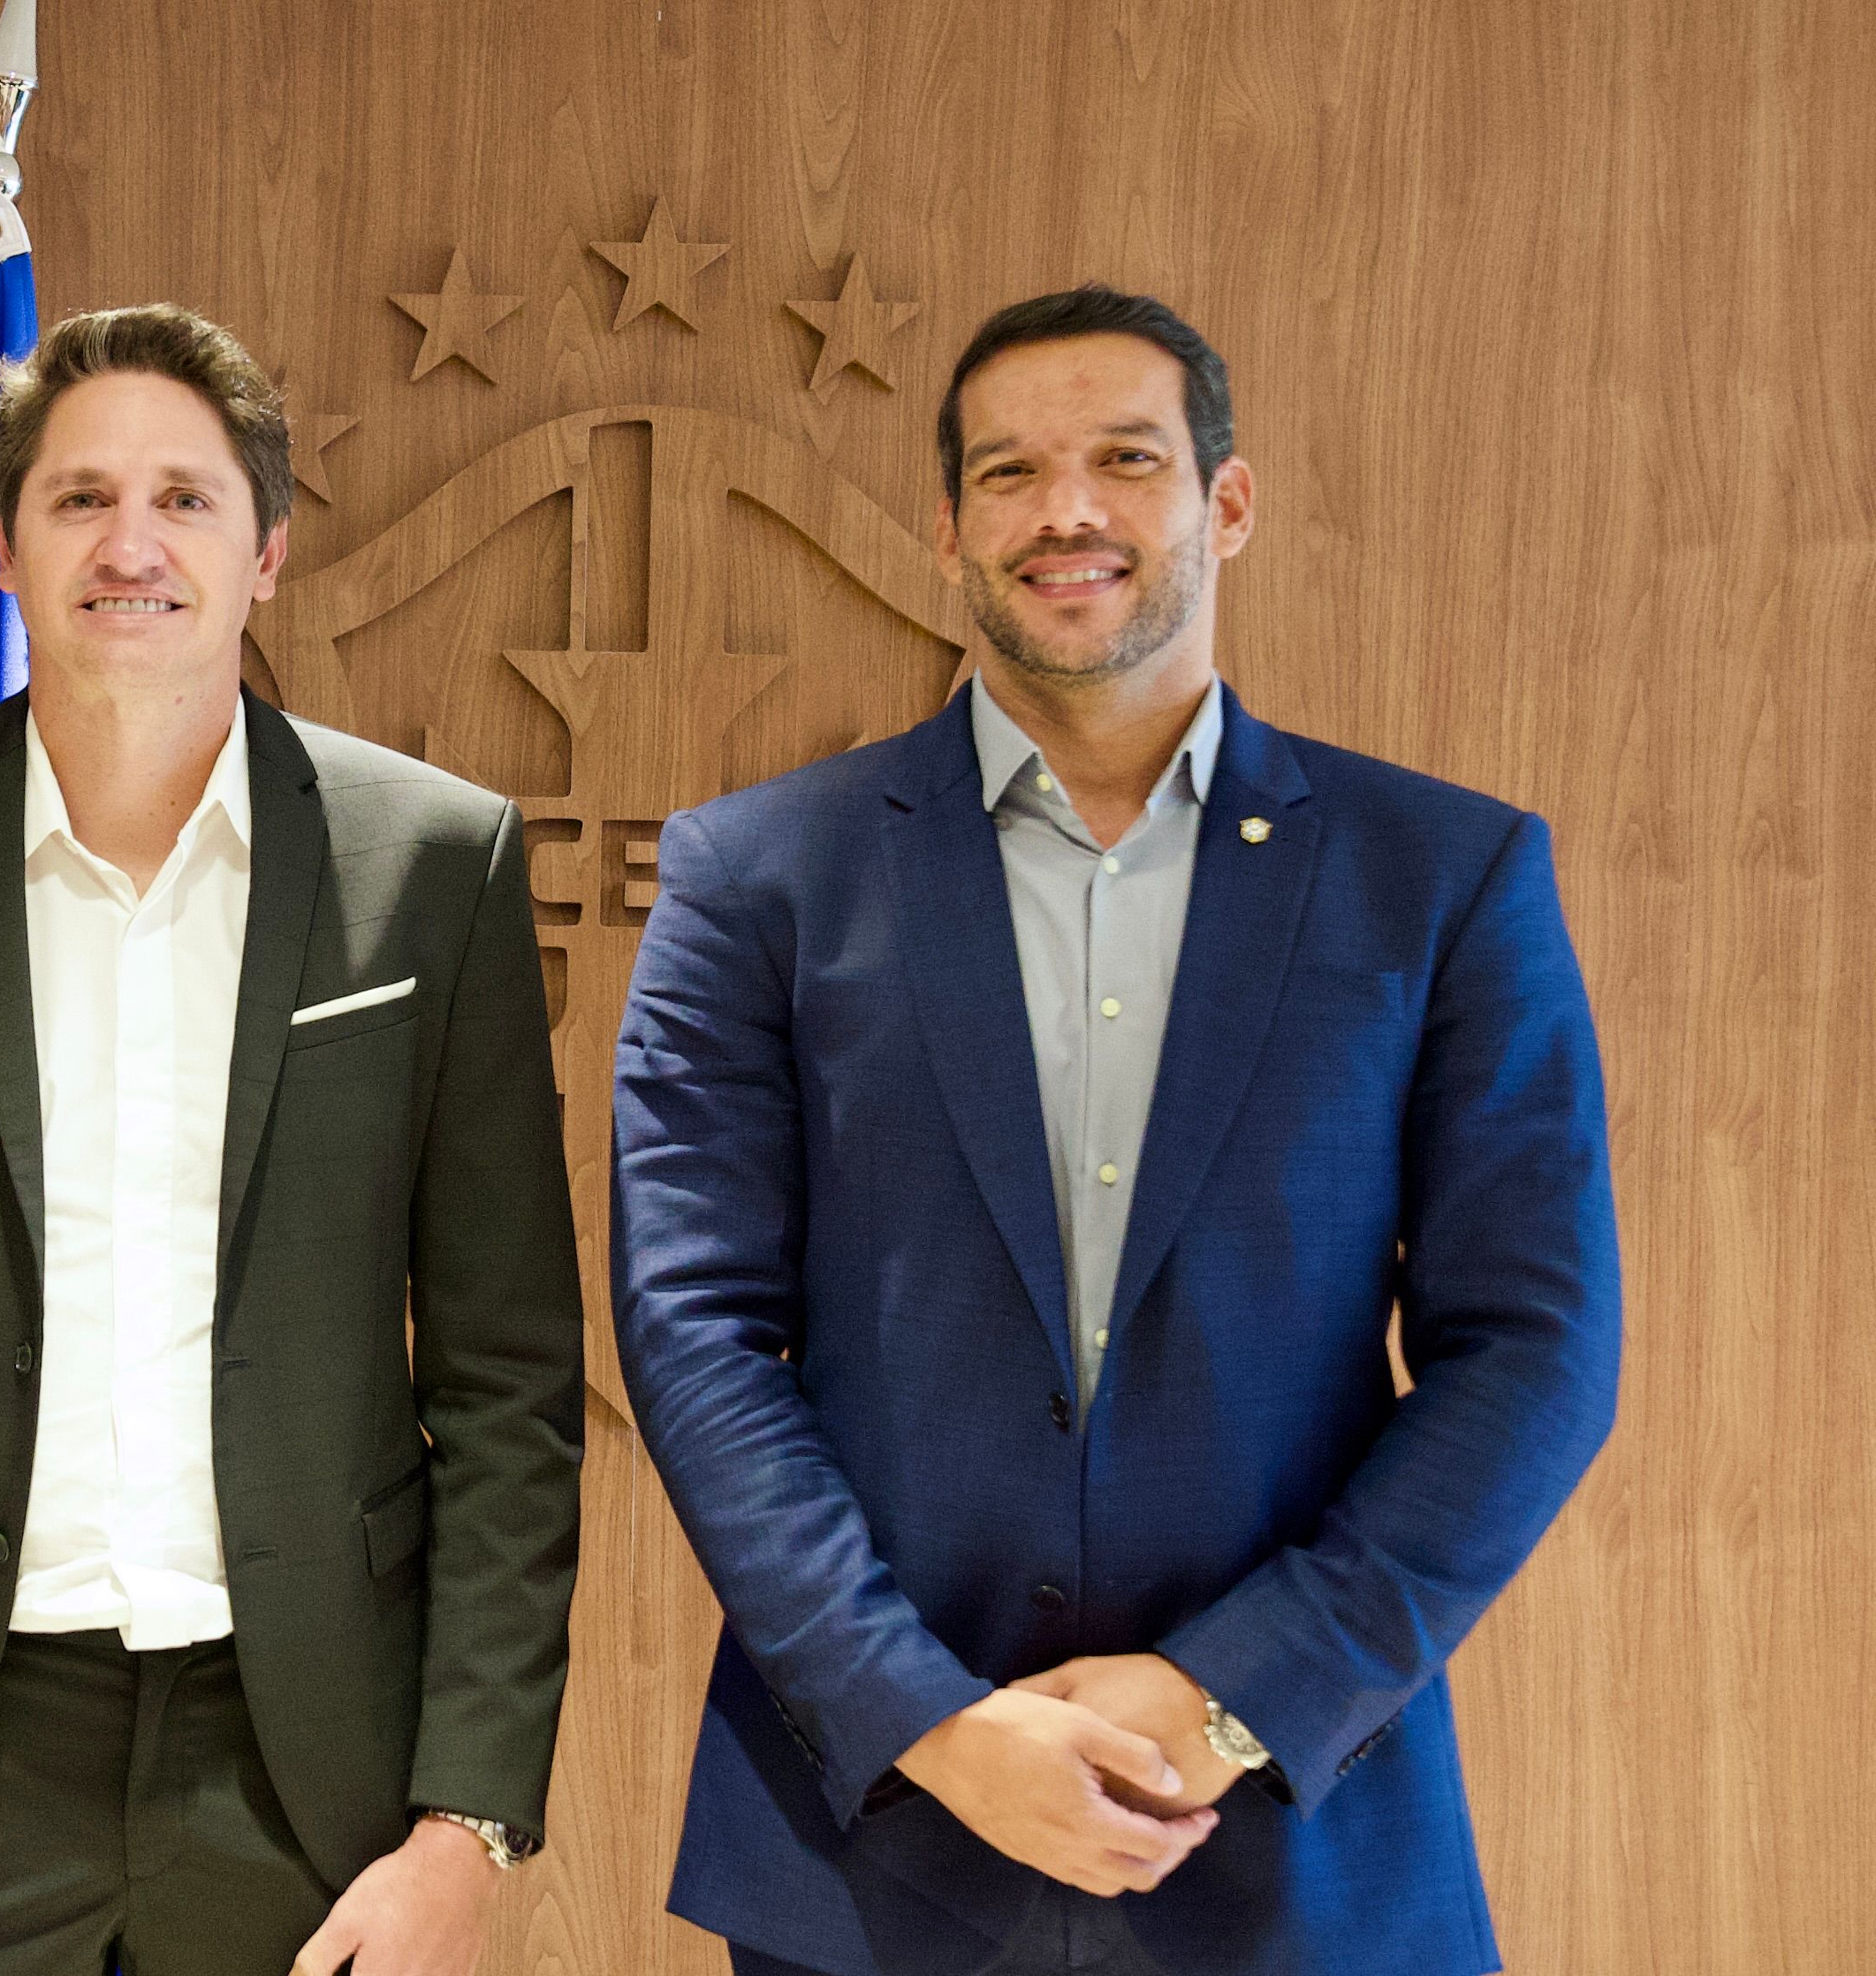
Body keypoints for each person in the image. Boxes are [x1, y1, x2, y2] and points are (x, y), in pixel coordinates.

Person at [610, 285, 1621, 1976]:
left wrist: (1232, 1699)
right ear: (949, 529)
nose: (1064, 510)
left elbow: (1537, 1347)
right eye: (1008, 472)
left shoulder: (1442, 876)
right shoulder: (758, 875)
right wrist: (923, 1718)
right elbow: (694, 1332)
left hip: (1300, 1844)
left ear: (1229, 502)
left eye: (1127, 461)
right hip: (877, 1846)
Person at [0, 303, 586, 1976]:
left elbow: (509, 1388)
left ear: (268, 552)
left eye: (186, 498)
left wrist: (467, 1826)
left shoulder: (431, 865)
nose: (131, 545)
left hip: (315, 1770)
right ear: (7, 548)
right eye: (80, 498)